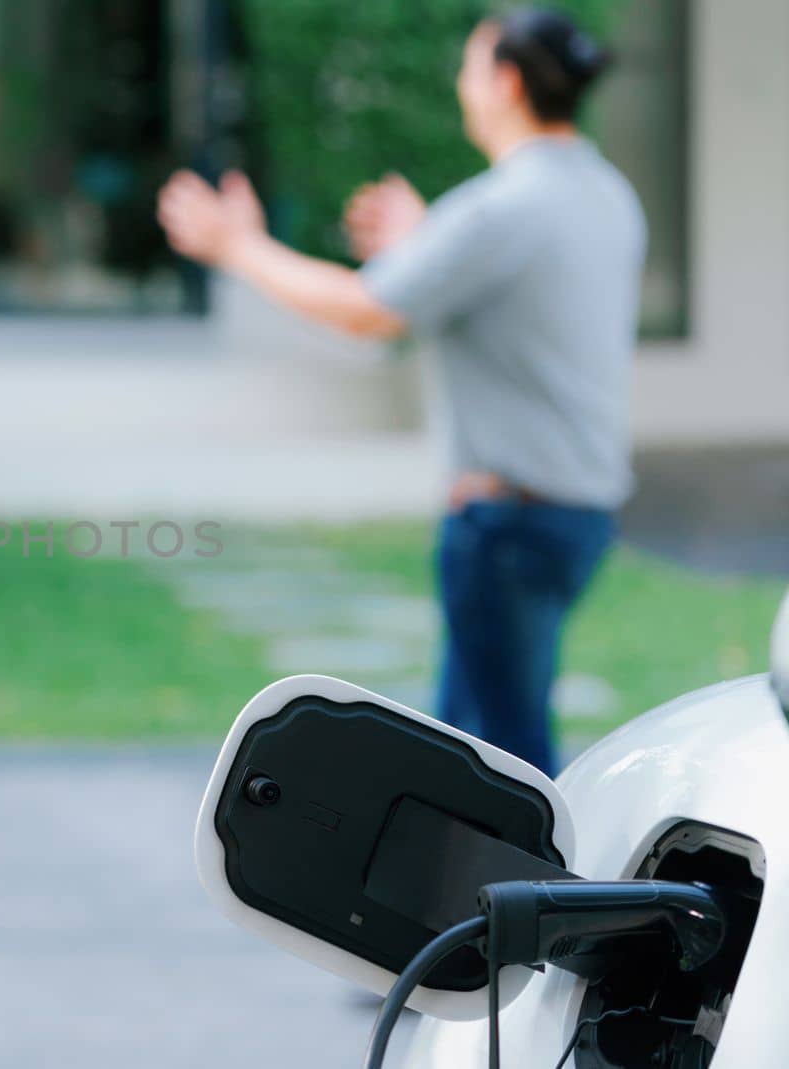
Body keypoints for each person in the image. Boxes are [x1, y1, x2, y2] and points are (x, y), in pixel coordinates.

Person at [157, 8, 645, 776]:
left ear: (507, 82)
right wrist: (426, 241)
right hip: (575, 515)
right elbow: (516, 301)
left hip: (506, 526)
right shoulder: (606, 195)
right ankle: (472, 895)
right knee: (461, 750)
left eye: (470, 65)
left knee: (504, 770)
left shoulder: (503, 207)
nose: (460, 82)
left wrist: (236, 246)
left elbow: (367, 310)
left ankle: (541, 896)